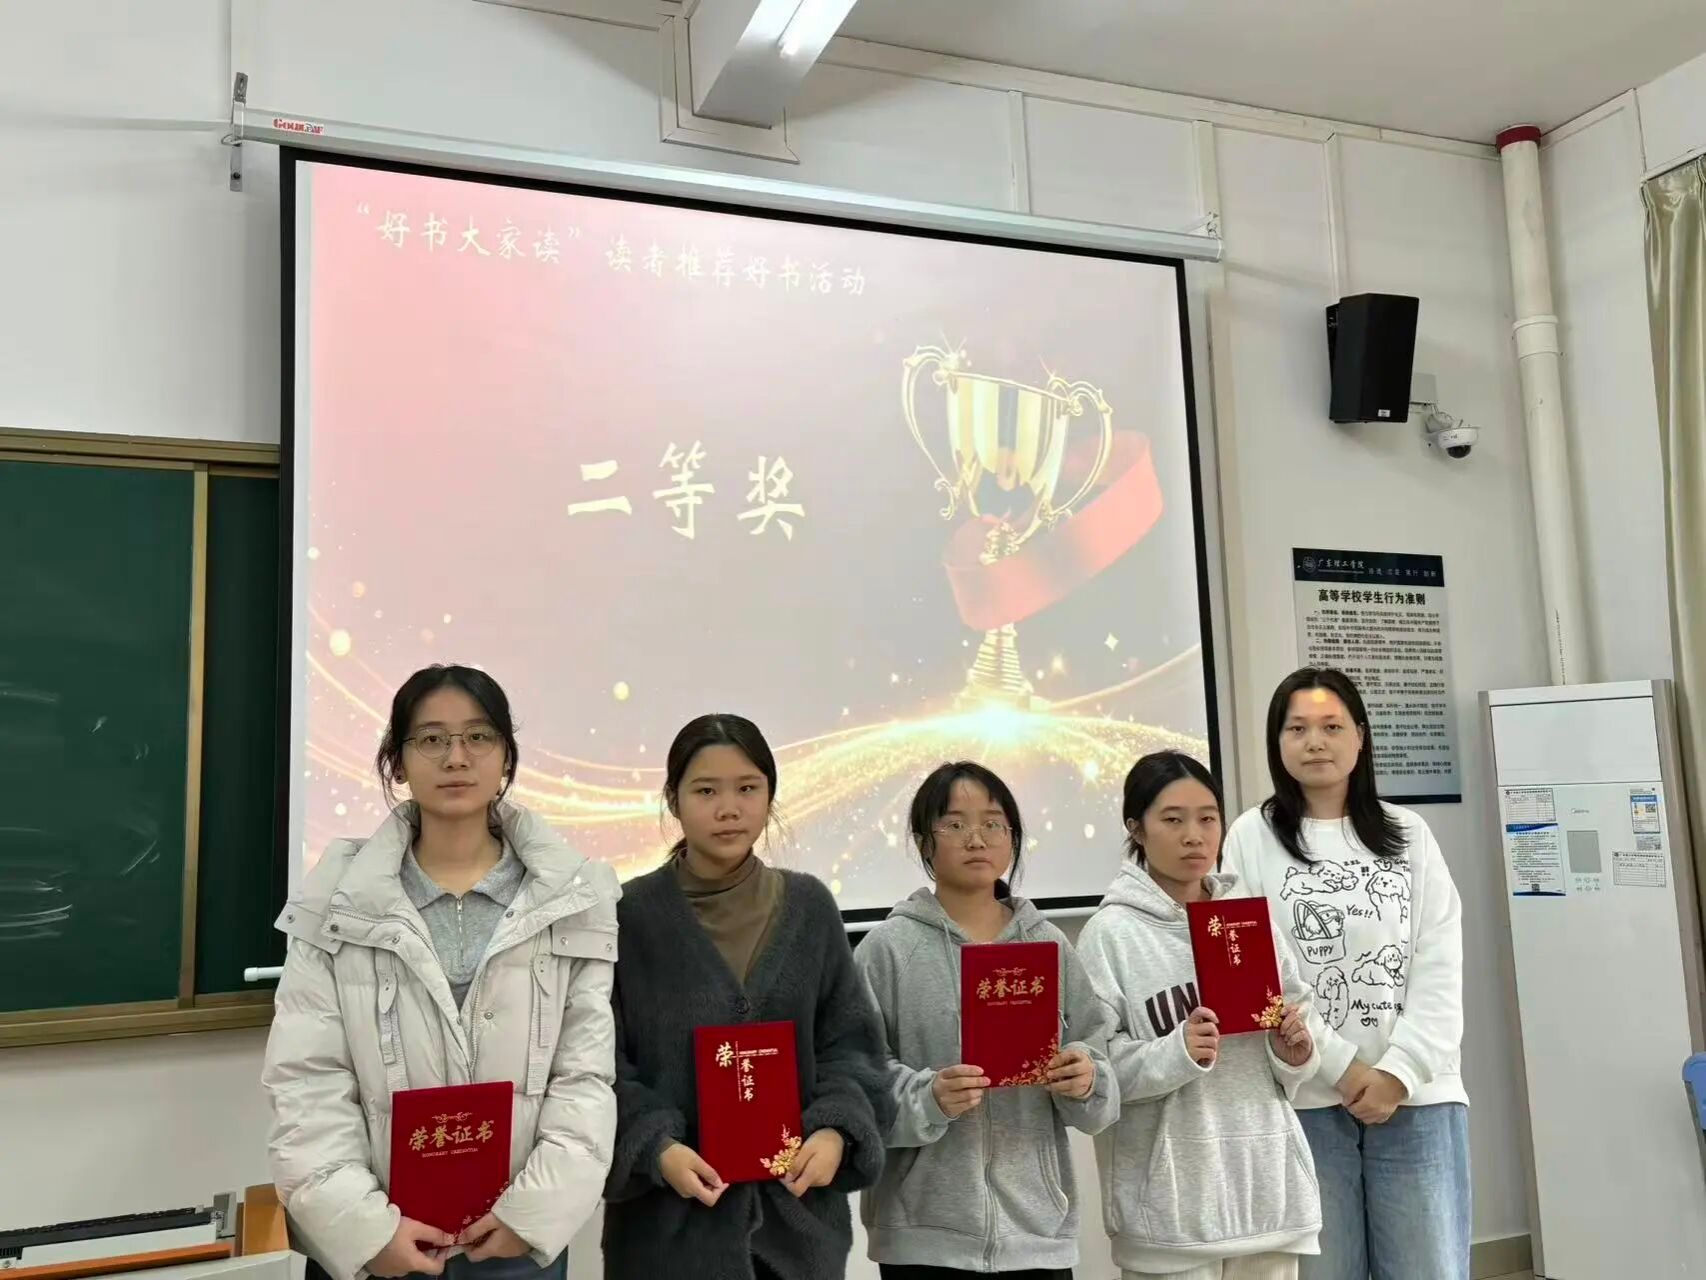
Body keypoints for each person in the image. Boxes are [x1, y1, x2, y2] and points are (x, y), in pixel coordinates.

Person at [263, 664, 619, 1280]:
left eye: (479, 737)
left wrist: (532, 1214)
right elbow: (307, 1081)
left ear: (506, 757)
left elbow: (584, 1076)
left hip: (513, 1242)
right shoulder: (337, 903)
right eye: (431, 739)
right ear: (397, 762)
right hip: (380, 1244)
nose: (456, 757)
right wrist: (366, 1230)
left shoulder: (572, 897)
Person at [602, 713, 892, 1280]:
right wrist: (656, 1148)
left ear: (769, 796)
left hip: (797, 1234)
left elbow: (852, 1048)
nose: (729, 808)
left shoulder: (810, 907)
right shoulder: (627, 916)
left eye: (747, 788)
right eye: (706, 791)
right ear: (673, 800)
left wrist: (835, 1130)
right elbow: (599, 1064)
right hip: (667, 1241)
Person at [1221, 668, 1467, 1280]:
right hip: (1305, 1097)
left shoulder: (1409, 834)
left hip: (1417, 1095)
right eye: (1297, 729)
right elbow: (1250, 975)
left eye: (1331, 727)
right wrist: (1343, 1067)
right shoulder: (1250, 837)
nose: (1315, 742)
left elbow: (1439, 960)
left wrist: (1398, 1072)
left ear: (1360, 736)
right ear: (1277, 742)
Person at [855, 761, 1119, 1279]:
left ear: (1012, 839)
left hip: (1036, 1234)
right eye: (955, 824)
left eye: (993, 824)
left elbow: (1098, 1056)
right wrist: (928, 1097)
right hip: (923, 1240)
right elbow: (857, 1080)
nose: (976, 839)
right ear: (924, 842)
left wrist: (1086, 1077)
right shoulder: (887, 950)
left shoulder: (1048, 944)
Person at [1078, 751, 1322, 1280]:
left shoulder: (1249, 921)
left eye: (1208, 818)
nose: (1194, 836)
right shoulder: (1111, 935)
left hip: (1266, 1197)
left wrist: (1294, 1052)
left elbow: (1296, 1035)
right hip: (1171, 1215)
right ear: (1136, 829)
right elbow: (1096, 1074)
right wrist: (1176, 1052)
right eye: (1173, 819)